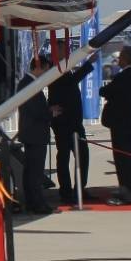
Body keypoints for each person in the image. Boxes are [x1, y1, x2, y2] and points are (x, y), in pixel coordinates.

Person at [48, 52, 95, 205]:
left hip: (75, 123)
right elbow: (72, 80)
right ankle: (66, 191)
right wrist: (88, 64)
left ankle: (79, 188)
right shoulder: (55, 73)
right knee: (64, 158)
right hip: (63, 123)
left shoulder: (65, 73)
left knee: (82, 155)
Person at [100, 45, 131, 205]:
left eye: (121, 57)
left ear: (126, 58)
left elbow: (107, 91)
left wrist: (106, 90)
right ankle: (125, 188)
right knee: (123, 158)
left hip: (122, 122)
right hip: (125, 121)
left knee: (123, 159)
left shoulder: (127, 75)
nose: (118, 60)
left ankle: (128, 192)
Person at [16, 56, 55, 214]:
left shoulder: (27, 83)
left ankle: (32, 202)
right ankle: (37, 203)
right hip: (35, 134)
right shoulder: (29, 84)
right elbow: (35, 110)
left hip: (31, 133)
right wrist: (50, 113)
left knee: (31, 171)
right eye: (45, 70)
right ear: (39, 67)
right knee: (35, 172)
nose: (46, 74)